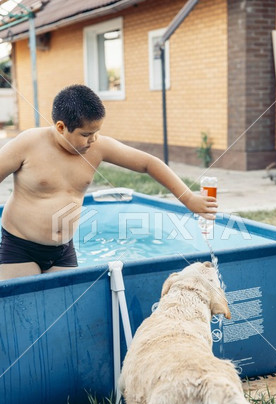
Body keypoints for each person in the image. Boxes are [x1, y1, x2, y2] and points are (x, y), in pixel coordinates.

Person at [0, 84, 217, 280]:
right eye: (86, 134)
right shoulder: (27, 144)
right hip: (20, 246)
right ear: (60, 127)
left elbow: (148, 163)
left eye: (97, 132)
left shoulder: (97, 147)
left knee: (65, 312)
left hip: (63, 250)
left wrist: (188, 198)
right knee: (19, 310)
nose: (93, 139)